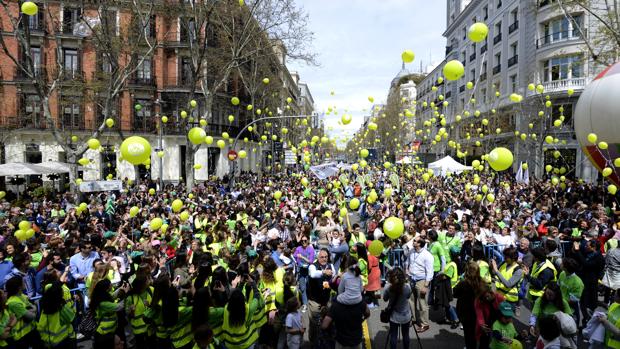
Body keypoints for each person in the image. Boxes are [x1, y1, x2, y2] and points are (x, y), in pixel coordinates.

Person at [454, 261, 486, 349]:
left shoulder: (463, 283)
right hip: (479, 314)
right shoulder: (483, 283)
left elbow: (454, 294)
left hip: (466, 314)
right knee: (480, 335)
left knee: (469, 335)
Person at [307, 248, 335, 348]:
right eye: (322, 257)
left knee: (327, 323)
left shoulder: (330, 266)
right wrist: (323, 272)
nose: (324, 259)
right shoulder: (312, 266)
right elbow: (313, 274)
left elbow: (334, 277)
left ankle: (324, 343)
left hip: (326, 300)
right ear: (317, 258)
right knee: (314, 324)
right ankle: (313, 344)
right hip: (314, 301)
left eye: (326, 257)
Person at [90, 279, 129, 349]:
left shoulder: (102, 296)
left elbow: (112, 296)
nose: (112, 285)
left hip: (109, 330)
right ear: (106, 288)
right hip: (104, 333)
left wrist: (121, 288)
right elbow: (120, 307)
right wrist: (126, 293)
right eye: (110, 284)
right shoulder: (103, 303)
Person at [405, 236, 433, 333]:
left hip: (421, 281)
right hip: (411, 279)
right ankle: (413, 319)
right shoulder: (412, 251)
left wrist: (425, 286)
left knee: (422, 303)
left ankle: (424, 324)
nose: (413, 242)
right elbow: (407, 261)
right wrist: (406, 270)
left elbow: (430, 272)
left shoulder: (427, 255)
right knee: (411, 300)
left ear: (420, 244)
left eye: (415, 241)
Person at [37, 281, 76, 348]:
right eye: (62, 291)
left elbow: (41, 326)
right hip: (65, 340)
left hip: (50, 342)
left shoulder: (45, 308)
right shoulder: (62, 307)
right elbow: (71, 317)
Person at [382, 267, 412, 349]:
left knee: (393, 336)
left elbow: (385, 299)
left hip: (394, 315)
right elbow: (408, 296)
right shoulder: (407, 287)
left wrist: (386, 286)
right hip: (406, 315)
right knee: (406, 335)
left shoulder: (389, 288)